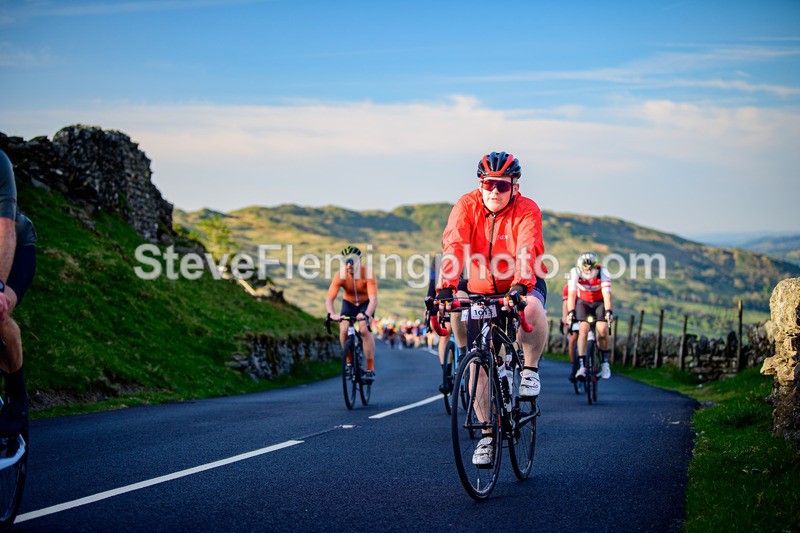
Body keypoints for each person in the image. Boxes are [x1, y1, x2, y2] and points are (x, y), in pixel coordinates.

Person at [435, 151, 548, 466]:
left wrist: (519, 285)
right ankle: (487, 436)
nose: (494, 192)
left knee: (530, 309)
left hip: (520, 282)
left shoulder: (526, 209)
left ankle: (530, 370)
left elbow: (528, 246)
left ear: (514, 184)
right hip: (482, 288)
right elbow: (454, 244)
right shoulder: (466, 205)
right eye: (488, 184)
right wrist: (446, 287)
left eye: (501, 185)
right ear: (480, 183)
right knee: (478, 364)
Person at [0, 149, 37, 436]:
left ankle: (16, 399)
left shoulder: (1, 164)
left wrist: (0, 288)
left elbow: (6, 231)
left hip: (13, 246)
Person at [325, 245, 378, 383]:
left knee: (365, 330)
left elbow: (373, 299)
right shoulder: (340, 276)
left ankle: (370, 368)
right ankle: (349, 362)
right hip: (348, 304)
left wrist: (366, 314)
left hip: (365, 304)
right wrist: (332, 314)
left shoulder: (368, 274)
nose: (349, 264)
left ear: (360, 261)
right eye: (346, 261)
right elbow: (329, 298)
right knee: (343, 329)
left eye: (352, 261)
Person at [566, 252, 613, 380]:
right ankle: (582, 366)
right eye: (585, 268)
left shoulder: (602, 271)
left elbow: (607, 295)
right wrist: (571, 312)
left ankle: (604, 362)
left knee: (603, 329)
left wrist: (608, 311)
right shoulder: (575, 272)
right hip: (584, 303)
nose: (588, 271)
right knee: (583, 329)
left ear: (595, 266)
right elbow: (571, 294)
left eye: (590, 268)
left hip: (599, 303)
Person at [561, 282, 580, 382]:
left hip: (587, 314)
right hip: (574, 316)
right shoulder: (567, 287)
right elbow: (565, 303)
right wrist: (565, 318)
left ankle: (594, 361)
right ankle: (573, 366)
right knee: (572, 339)